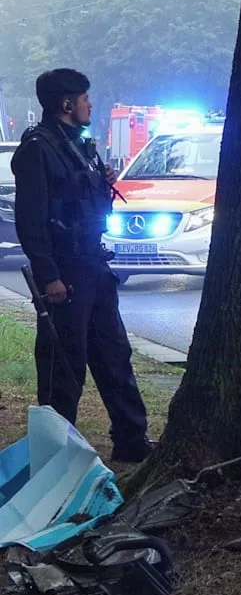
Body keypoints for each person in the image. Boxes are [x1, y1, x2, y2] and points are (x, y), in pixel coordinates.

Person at [10, 68, 153, 462]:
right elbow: (31, 221)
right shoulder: (38, 149)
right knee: (63, 368)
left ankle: (132, 439)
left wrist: (102, 182)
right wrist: (48, 275)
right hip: (65, 271)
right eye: (86, 98)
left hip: (94, 263)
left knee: (114, 354)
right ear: (66, 104)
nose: (92, 104)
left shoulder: (81, 146)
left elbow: (92, 206)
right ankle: (56, 453)